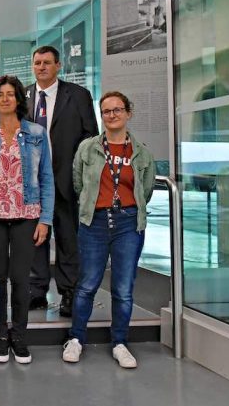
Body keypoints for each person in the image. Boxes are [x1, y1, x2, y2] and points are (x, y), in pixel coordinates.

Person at [62, 91, 155, 369]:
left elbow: (145, 190)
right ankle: (76, 338)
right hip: (95, 222)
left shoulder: (142, 152)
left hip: (128, 223)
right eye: (106, 111)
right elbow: (78, 184)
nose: (112, 115)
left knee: (123, 289)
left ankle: (120, 343)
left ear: (128, 113)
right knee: (87, 284)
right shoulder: (87, 148)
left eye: (117, 110)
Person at [0, 75, 54, 364]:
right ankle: (0, 335)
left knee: (20, 279)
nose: (5, 99)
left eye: (10, 94)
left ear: (19, 99)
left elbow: (46, 179)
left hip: (26, 215)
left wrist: (45, 219)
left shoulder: (37, 134)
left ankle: (19, 335)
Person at [26, 45, 98, 317]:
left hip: (66, 181)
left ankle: (69, 292)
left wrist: (81, 176)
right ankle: (36, 291)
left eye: (46, 63)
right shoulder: (23, 96)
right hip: (33, 184)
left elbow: (90, 138)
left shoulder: (78, 96)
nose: (41, 67)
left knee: (68, 239)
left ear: (58, 66)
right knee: (35, 238)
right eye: (37, 63)